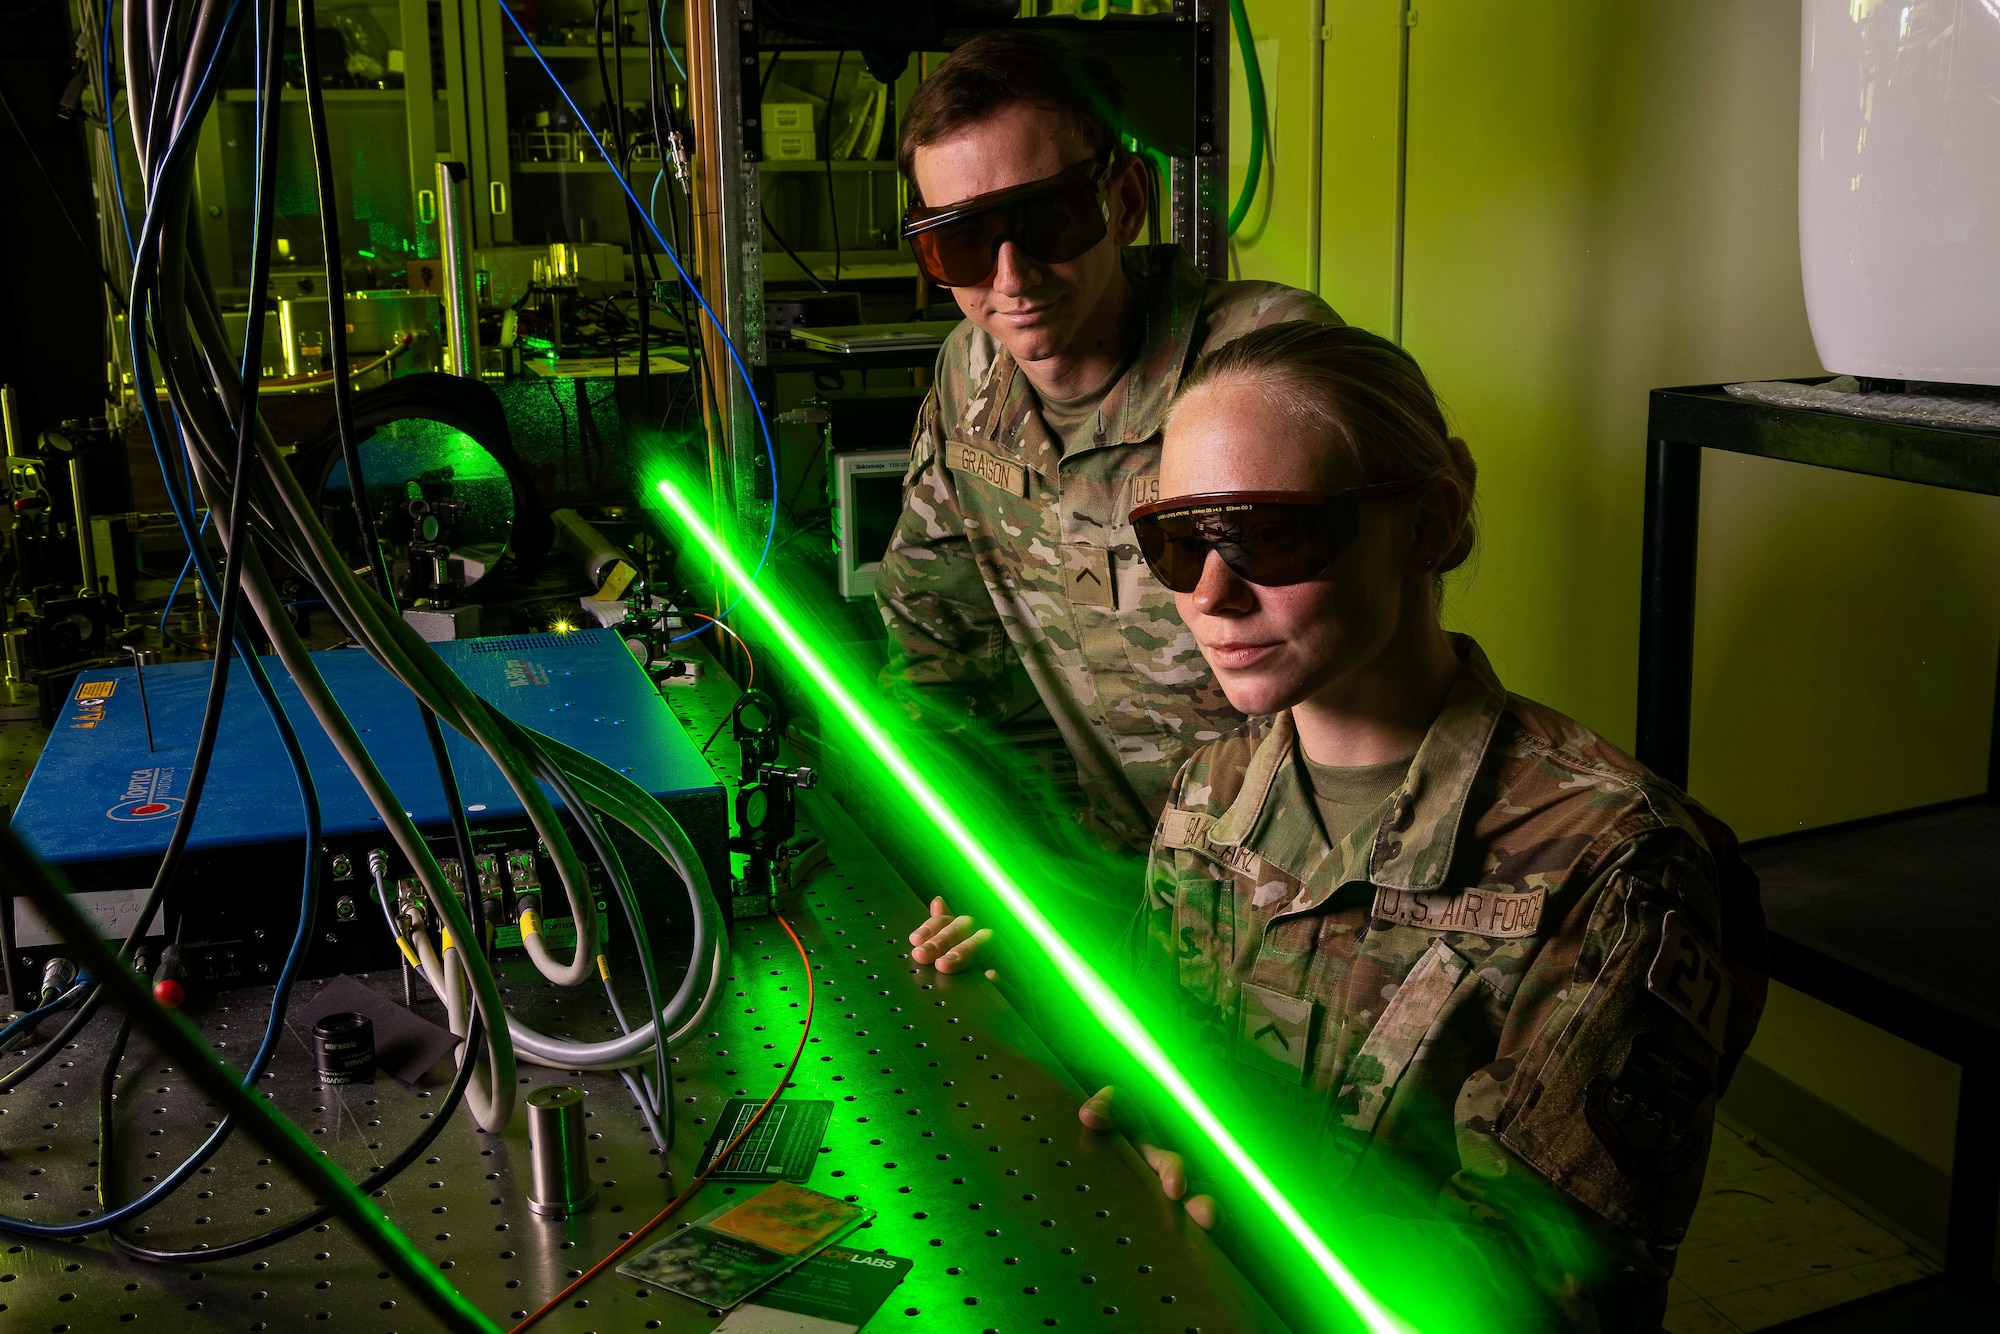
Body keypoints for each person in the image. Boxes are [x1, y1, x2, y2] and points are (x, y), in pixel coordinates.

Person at [921, 321, 1769, 1331]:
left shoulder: (1613, 862)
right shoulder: (1210, 793)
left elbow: (1554, 1291)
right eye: (1175, 540)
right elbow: (1164, 1082)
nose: (1209, 593)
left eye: (1268, 535)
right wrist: (1040, 1015)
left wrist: (1249, 1218)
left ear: (1427, 522)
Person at [876, 31, 1339, 864]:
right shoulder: (969, 376)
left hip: (1293, 887)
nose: (1010, 277)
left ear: (1125, 201)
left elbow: (1356, 678)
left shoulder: (1265, 365)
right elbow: (935, 653)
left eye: (1048, 219)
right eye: (962, 244)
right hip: (1115, 875)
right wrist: (968, 858)